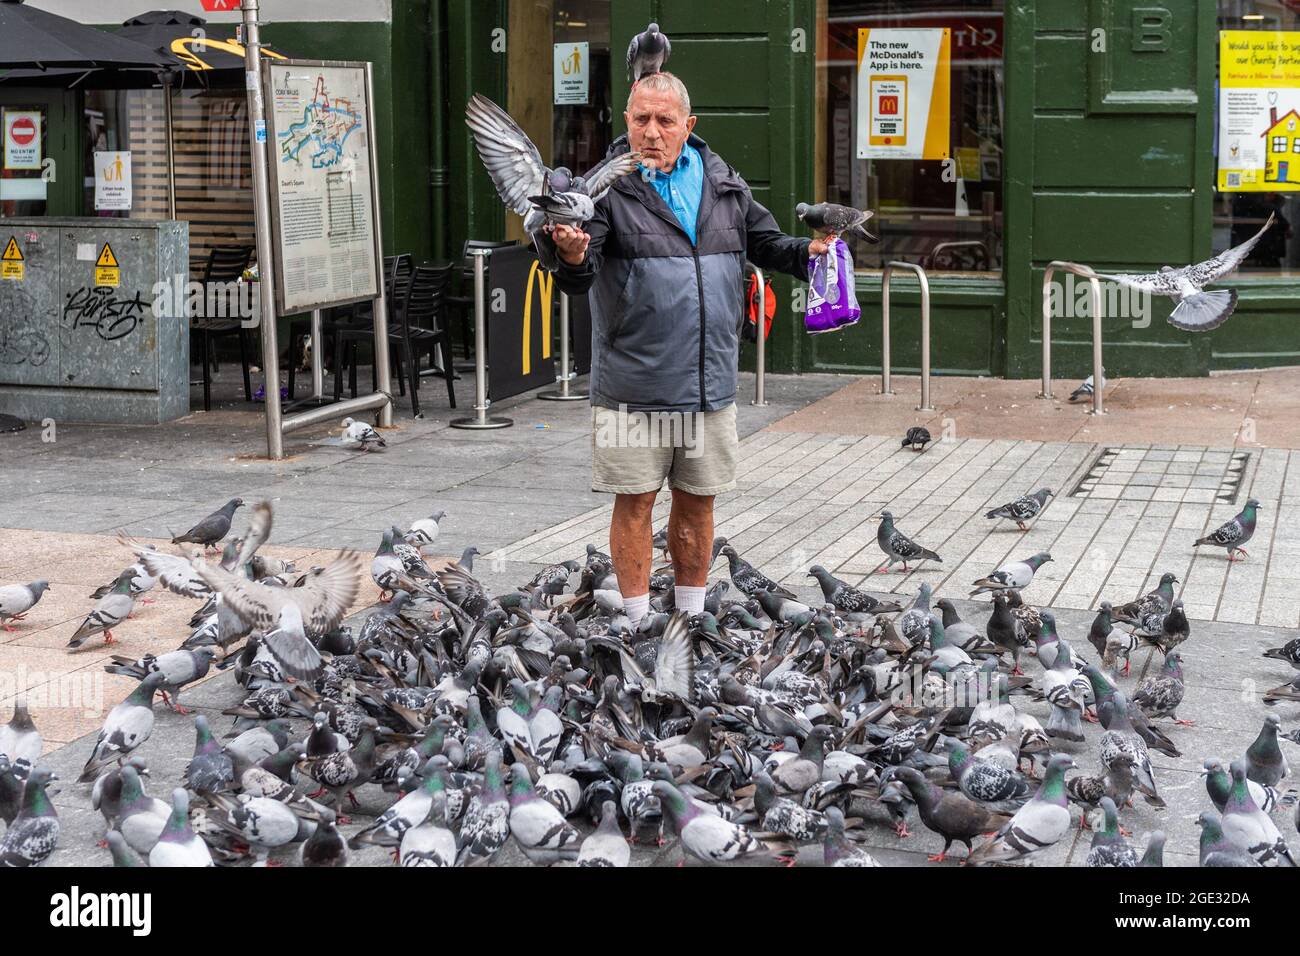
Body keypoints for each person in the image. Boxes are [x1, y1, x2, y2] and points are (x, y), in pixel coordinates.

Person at [545, 72, 830, 627]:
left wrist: (810, 253)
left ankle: (691, 618)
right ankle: (633, 621)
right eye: (640, 120)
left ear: (687, 126)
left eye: (664, 121)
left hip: (708, 379)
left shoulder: (724, 182)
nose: (651, 132)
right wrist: (574, 255)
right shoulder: (602, 189)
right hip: (632, 380)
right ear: (625, 122)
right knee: (635, 501)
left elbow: (765, 243)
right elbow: (579, 276)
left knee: (699, 501)